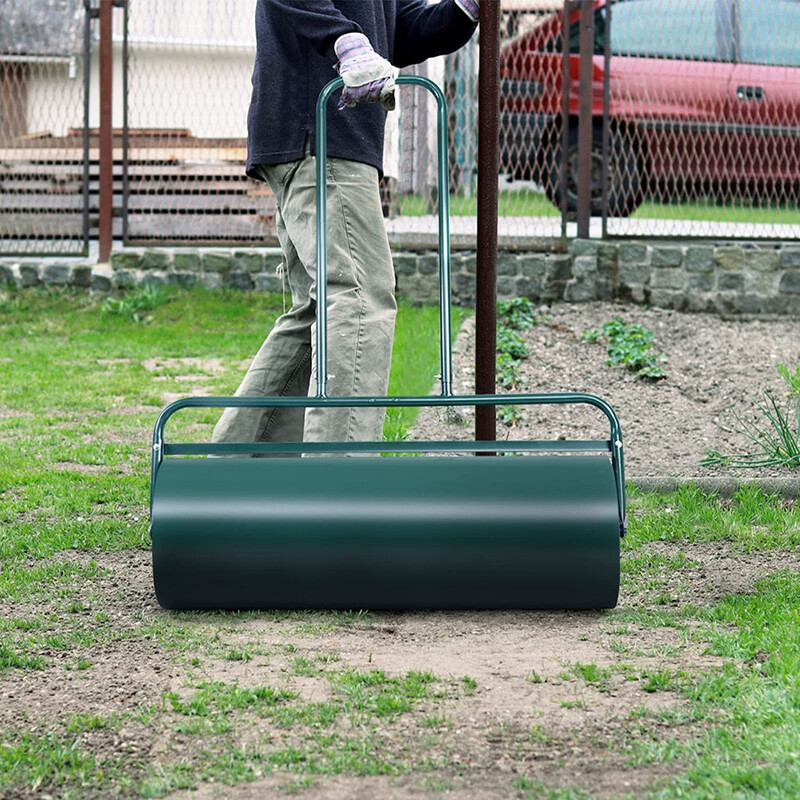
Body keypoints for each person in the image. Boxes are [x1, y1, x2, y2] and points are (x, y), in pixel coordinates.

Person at [212, 0, 479, 453]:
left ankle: (230, 473)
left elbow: (403, 28)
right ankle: (339, 478)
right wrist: (344, 38)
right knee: (358, 298)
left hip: (330, 139)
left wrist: (461, 11)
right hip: (318, 133)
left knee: (320, 310)